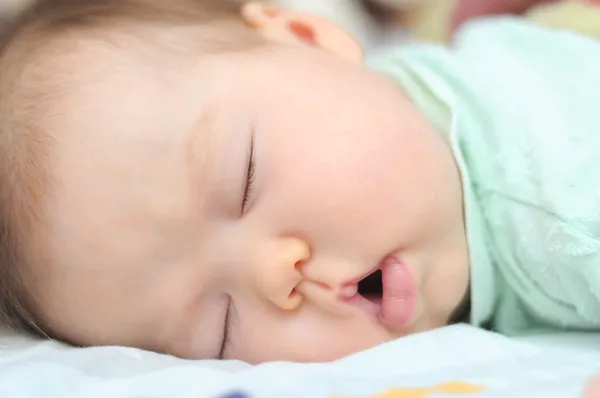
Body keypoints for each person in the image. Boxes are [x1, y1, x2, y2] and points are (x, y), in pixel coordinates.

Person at [0, 0, 599, 368]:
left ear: (308, 34)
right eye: (221, 327)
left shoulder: (558, 199)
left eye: (245, 181)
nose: (276, 275)